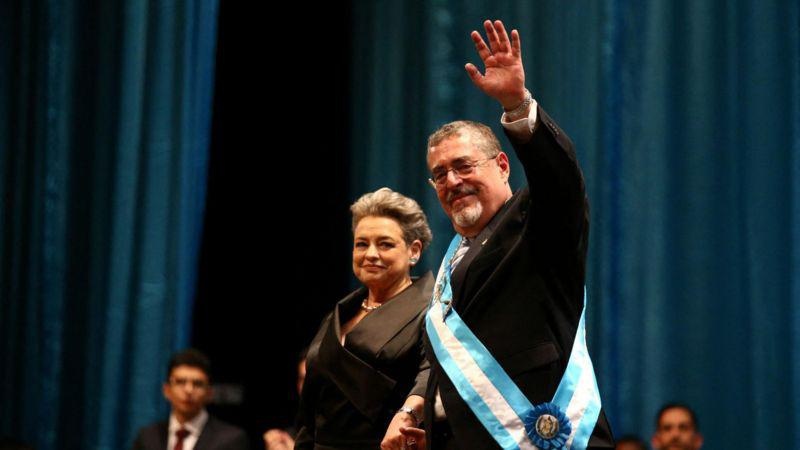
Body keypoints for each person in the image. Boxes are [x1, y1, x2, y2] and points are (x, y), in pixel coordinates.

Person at [399, 20, 614, 449]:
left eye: (464, 165)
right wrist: (417, 411)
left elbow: (561, 182)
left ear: (501, 165)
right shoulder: (452, 262)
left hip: (543, 435)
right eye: (439, 175)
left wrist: (517, 105)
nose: (452, 181)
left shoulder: (535, 220)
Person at [294, 188, 435, 450]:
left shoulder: (433, 311)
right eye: (362, 244)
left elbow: (432, 376)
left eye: (385, 244)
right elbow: (310, 412)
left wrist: (409, 412)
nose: (370, 254)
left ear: (413, 251)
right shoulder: (339, 313)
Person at [131, 348, 249, 450]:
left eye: (197, 384)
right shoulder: (147, 438)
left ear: (209, 393)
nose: (189, 390)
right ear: (166, 390)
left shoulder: (230, 440)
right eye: (180, 382)